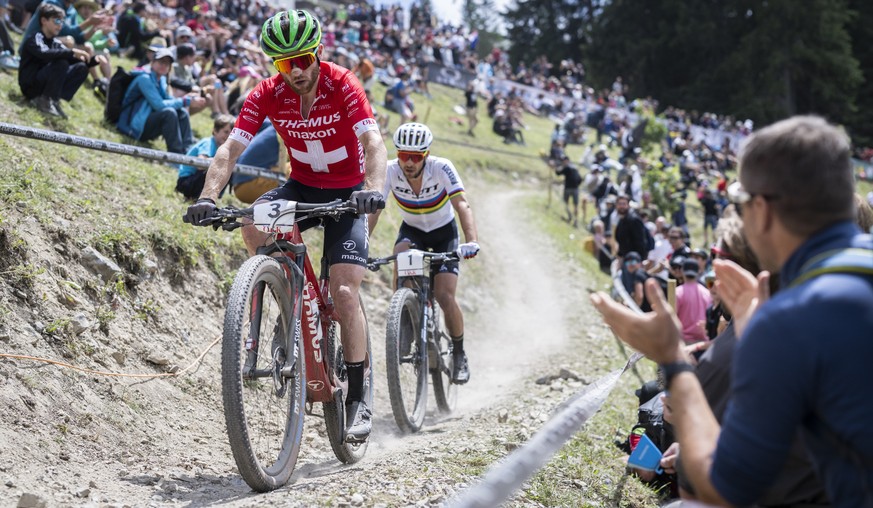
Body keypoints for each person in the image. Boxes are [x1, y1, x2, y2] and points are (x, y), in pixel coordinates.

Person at [591, 116, 873, 506]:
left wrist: (672, 358)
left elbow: (718, 486)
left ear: (762, 210)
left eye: (740, 206)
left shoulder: (791, 318)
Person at [183, 9, 387, 444]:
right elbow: (228, 151)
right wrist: (207, 197)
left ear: (318, 53)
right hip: (302, 187)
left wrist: (373, 188)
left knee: (346, 291)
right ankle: (285, 291)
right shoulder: (265, 94)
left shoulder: (343, 83)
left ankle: (358, 397)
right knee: (254, 222)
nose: (295, 71)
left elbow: (373, 142)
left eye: (302, 60)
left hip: (350, 192)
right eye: (283, 63)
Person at [368, 122, 479, 384]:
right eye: (404, 155)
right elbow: (374, 211)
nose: (408, 162)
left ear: (426, 155)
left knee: (444, 294)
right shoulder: (391, 171)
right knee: (400, 252)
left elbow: (462, 204)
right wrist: (361, 244)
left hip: (444, 233)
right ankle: (405, 321)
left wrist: (471, 241)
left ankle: (460, 354)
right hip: (413, 232)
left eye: (415, 157)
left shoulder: (442, 168)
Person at [117, 47, 206, 154]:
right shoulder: (144, 79)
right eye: (161, 62)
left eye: (167, 64)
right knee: (169, 113)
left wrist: (188, 100)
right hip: (133, 127)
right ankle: (175, 155)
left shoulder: (161, 79)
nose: (164, 66)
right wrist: (184, 101)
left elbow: (168, 99)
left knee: (181, 112)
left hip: (145, 122)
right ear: (152, 62)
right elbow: (158, 105)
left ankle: (188, 149)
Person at [18, 2, 90, 118]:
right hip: (30, 87)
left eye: (62, 22)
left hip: (44, 84)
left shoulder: (55, 41)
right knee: (61, 62)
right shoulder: (35, 37)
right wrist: (71, 52)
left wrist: (92, 60)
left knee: (81, 68)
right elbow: (44, 53)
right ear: (44, 21)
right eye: (57, 21)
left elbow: (70, 58)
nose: (60, 25)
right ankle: (44, 100)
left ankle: (53, 100)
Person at [175, 114, 234, 200]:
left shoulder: (220, 147)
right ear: (215, 131)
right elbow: (200, 163)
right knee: (217, 167)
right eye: (226, 132)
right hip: (185, 182)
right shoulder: (208, 143)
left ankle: (213, 196)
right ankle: (199, 197)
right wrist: (220, 161)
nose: (228, 136)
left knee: (228, 167)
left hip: (193, 180)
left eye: (231, 134)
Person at [555, 155, 582, 228]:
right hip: (575, 188)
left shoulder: (566, 167)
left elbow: (558, 173)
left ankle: (571, 217)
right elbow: (580, 179)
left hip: (568, 188)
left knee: (566, 203)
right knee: (575, 205)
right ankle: (575, 220)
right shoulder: (575, 168)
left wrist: (556, 167)